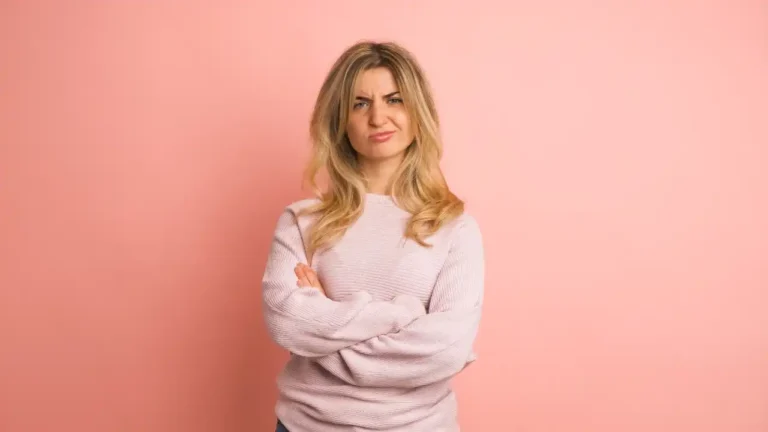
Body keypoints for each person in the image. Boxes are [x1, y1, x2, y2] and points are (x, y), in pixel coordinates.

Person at [261, 40, 485, 432]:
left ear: (418, 112)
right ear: (340, 120)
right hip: (306, 425)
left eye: (394, 99)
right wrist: (403, 317)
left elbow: (445, 350)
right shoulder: (302, 221)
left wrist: (326, 320)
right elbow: (286, 323)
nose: (378, 117)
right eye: (360, 103)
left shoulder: (456, 228)